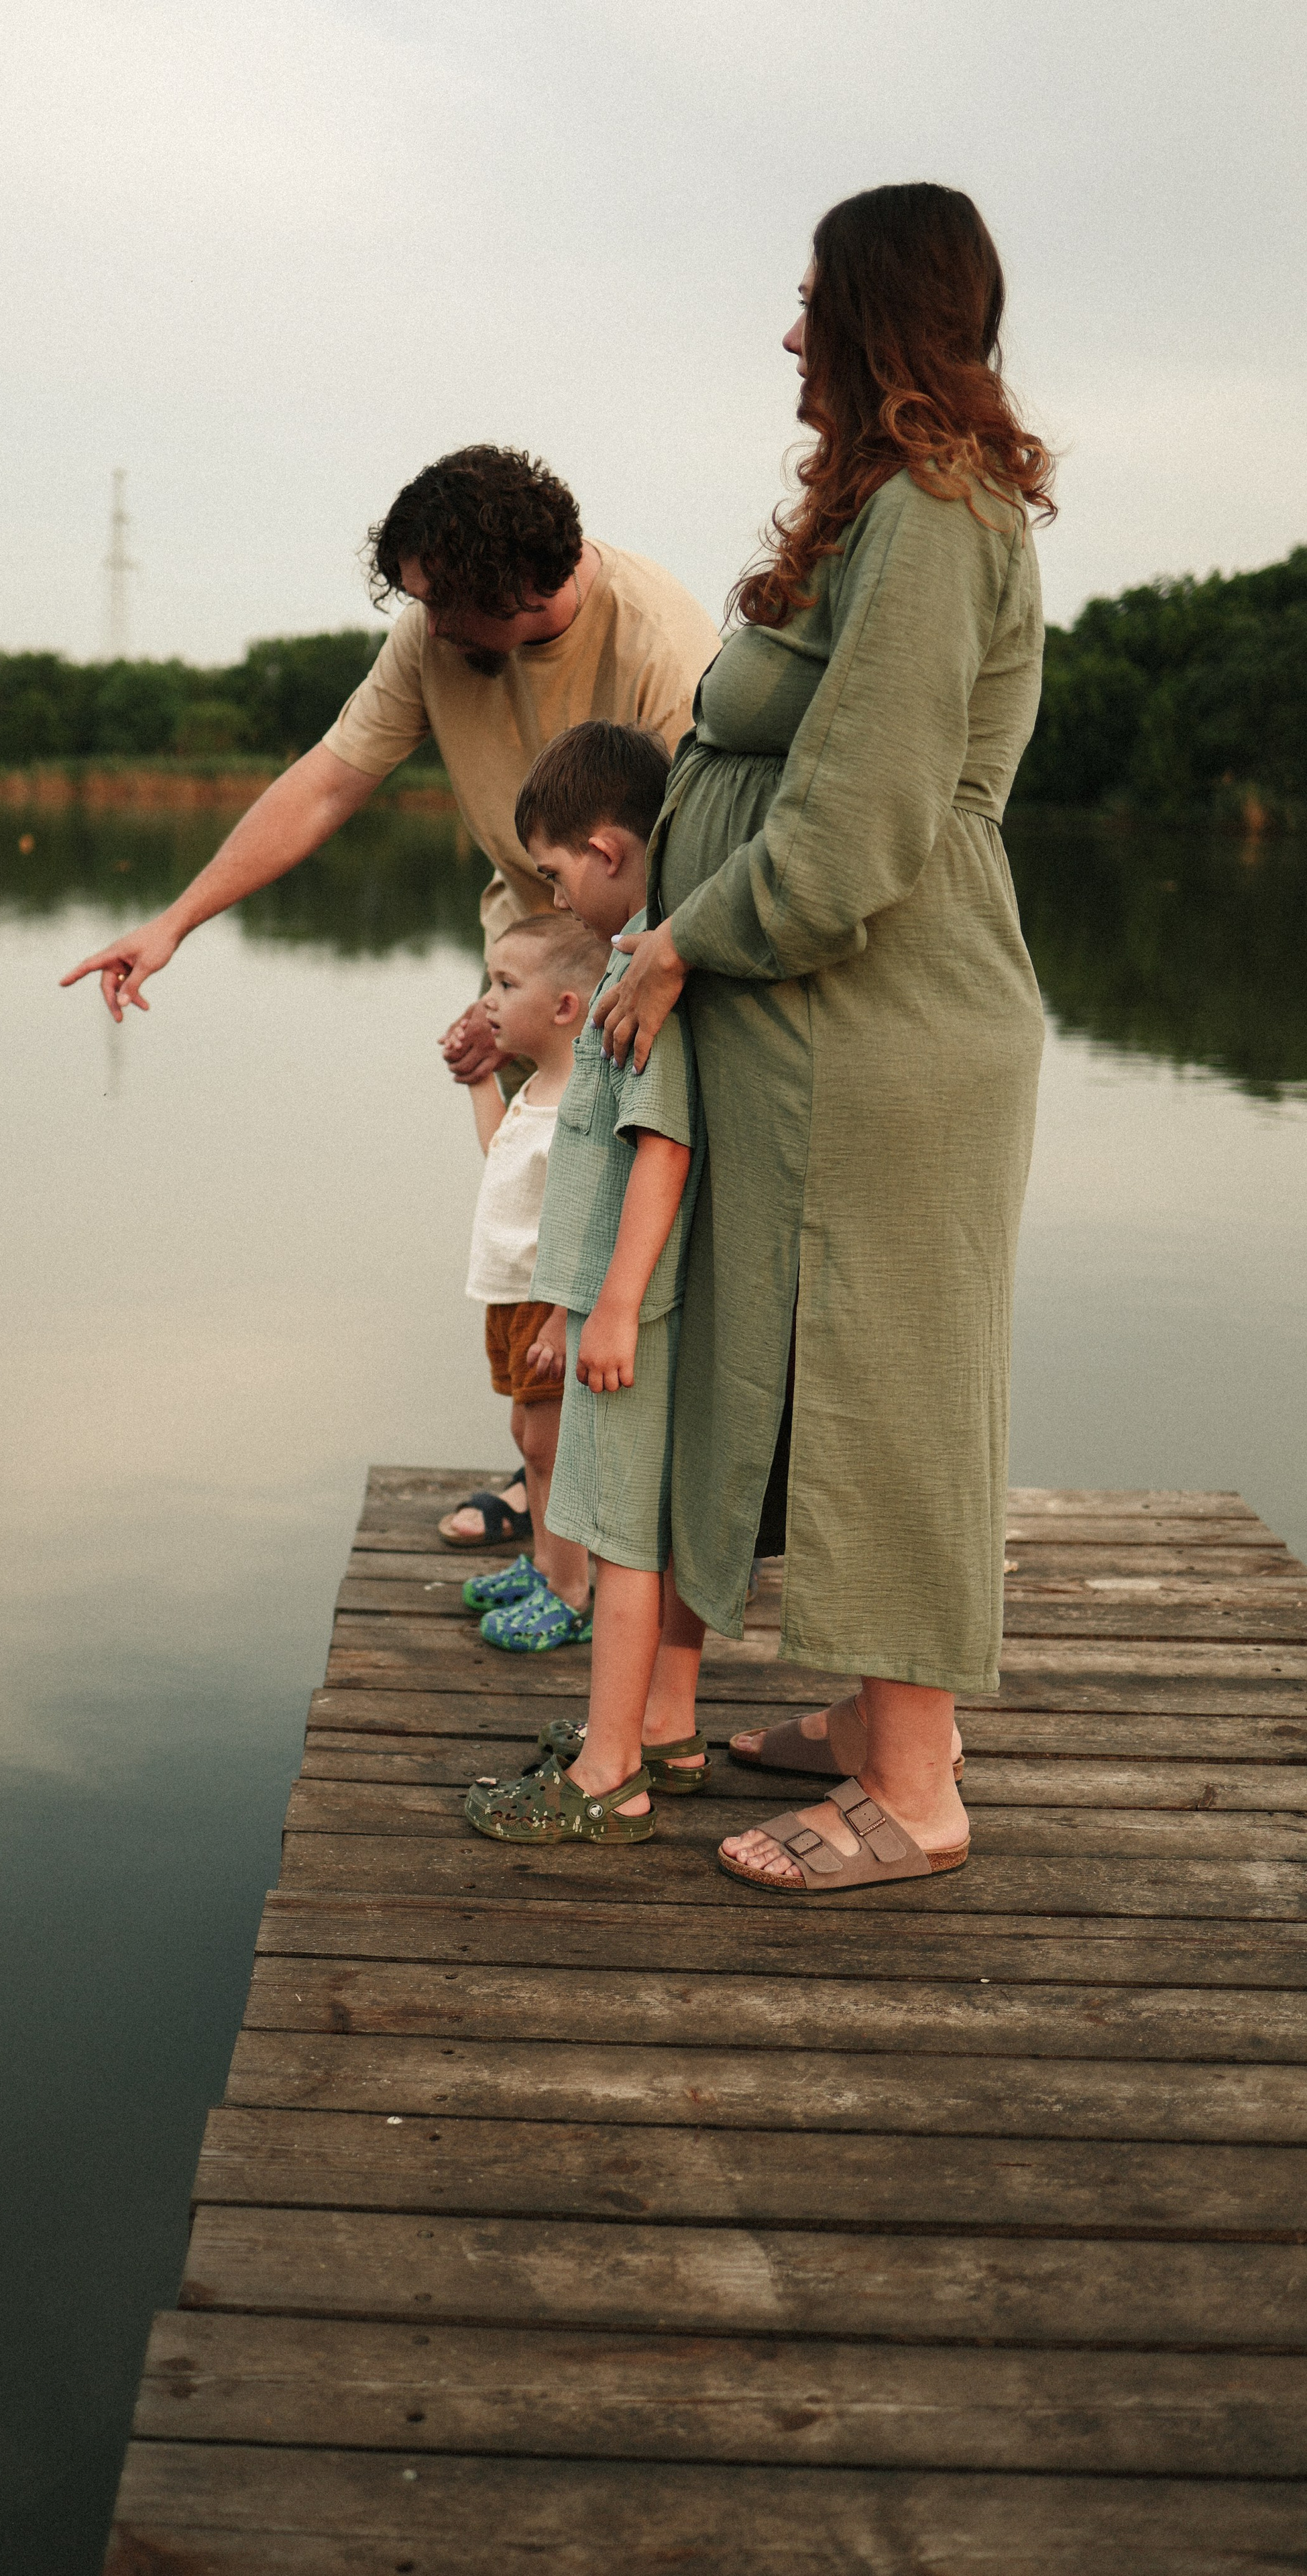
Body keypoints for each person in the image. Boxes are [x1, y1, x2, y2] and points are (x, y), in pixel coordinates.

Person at [593, 184, 1054, 1896]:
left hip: (884, 1029)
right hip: (829, 1028)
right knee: (824, 1375)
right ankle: (870, 1725)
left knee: (886, 1384)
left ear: (872, 319)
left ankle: (915, 1788)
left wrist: (677, 936)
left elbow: (866, 826)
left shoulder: (934, 517)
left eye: (809, 304)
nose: (788, 334)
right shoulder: (893, 515)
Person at [59, 445, 720, 1548]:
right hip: (529, 964)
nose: (421, 621)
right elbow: (327, 782)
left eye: (437, 599)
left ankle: (648, 1509)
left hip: (644, 971)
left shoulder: (664, 644)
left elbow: (711, 845)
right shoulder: (433, 640)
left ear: (510, 590)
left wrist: (649, 974)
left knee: (632, 1237)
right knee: (531, 1228)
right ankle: (548, 1487)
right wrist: (174, 920)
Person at [465, 722, 708, 1842]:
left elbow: (660, 1145)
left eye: (558, 875)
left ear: (610, 852)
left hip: (633, 1319)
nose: (557, 898)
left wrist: (607, 1307)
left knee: (620, 1543)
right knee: (635, 1534)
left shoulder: (638, 987)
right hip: (614, 1307)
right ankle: (662, 1727)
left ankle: (611, 1777)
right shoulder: (634, 967)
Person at [455, 910, 610, 1652]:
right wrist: (481, 1079)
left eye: (505, 983)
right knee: (529, 1436)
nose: (488, 998)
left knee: (554, 1449)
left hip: (548, 1302)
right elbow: (501, 1156)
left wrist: (560, 1318)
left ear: (564, 1008)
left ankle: (569, 1592)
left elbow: (586, 1222)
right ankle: (545, 1564)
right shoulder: (540, 1084)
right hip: (511, 1295)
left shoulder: (581, 1098)